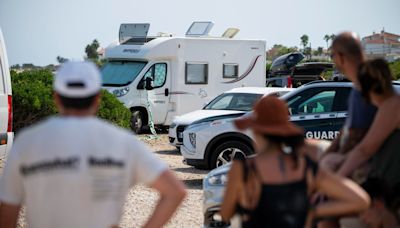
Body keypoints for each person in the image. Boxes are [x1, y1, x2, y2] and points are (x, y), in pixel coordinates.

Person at [0, 61, 186, 228]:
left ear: (56, 98)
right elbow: (175, 192)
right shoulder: (122, 141)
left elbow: (7, 213)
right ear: (97, 99)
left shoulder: (27, 142)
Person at [220, 95, 370, 228]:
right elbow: (360, 201)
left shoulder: (244, 168)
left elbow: (226, 213)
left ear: (257, 130)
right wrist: (311, 211)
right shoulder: (305, 167)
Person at [338, 58, 400, 194]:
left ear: (368, 91)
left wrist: (335, 181)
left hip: (389, 193)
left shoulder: (392, 106)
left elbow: (365, 150)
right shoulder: (393, 103)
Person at [321, 32, 377, 168]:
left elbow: (356, 138)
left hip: (365, 168)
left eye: (332, 55)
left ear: (340, 57)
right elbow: (346, 131)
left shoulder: (364, 88)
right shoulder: (362, 85)